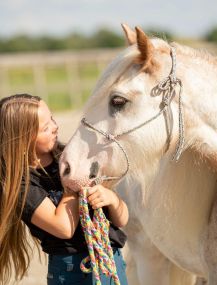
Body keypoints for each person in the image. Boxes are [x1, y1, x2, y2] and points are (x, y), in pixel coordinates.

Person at [0, 94, 129, 285]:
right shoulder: (20, 185)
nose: (55, 126)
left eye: (52, 118)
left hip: (110, 262)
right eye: (45, 128)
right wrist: (72, 180)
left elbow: (123, 219)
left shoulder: (71, 156)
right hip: (71, 272)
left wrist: (111, 198)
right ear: (23, 140)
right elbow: (63, 227)